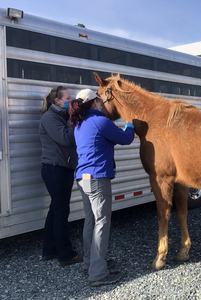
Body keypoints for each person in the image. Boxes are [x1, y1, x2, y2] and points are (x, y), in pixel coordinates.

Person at [70, 89, 134, 287]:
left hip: (82, 178)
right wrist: (130, 123)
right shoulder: (100, 121)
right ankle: (97, 274)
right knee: (102, 223)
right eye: (99, 100)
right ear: (95, 102)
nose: (101, 103)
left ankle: (91, 263)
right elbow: (125, 138)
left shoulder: (79, 124)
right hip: (98, 179)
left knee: (91, 221)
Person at [39, 86, 82, 266]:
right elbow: (65, 138)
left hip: (62, 168)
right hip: (55, 169)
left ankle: (49, 249)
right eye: (67, 98)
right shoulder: (49, 118)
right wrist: (73, 121)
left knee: (55, 209)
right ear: (57, 101)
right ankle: (65, 254)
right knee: (61, 211)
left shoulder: (60, 116)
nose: (70, 101)